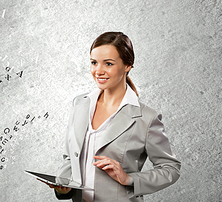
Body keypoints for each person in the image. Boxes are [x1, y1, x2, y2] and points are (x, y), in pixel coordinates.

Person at [46, 32, 180, 201]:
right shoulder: (79, 104)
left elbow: (171, 169)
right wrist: (64, 186)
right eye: (94, 63)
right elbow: (70, 157)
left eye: (108, 63)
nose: (98, 71)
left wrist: (129, 179)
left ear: (127, 66)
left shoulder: (146, 117)